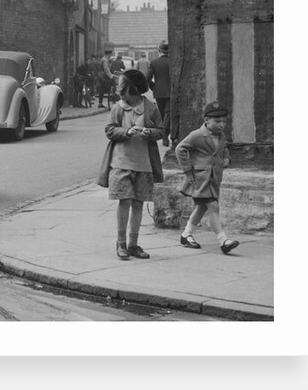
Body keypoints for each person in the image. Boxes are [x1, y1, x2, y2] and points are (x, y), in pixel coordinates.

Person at [97, 69, 165, 260]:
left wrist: (148, 133)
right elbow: (110, 130)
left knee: (138, 203)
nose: (120, 92)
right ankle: (121, 243)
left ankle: (134, 244)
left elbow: (161, 131)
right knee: (124, 201)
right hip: (121, 162)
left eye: (122, 88)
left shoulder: (150, 107)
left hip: (143, 164)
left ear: (133, 89)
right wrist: (127, 131)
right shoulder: (118, 108)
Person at [175, 101, 239, 254]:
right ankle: (223, 241)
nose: (222, 124)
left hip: (214, 179)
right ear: (206, 121)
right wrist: (187, 170)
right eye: (217, 121)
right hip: (200, 179)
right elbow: (180, 149)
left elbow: (224, 150)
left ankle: (186, 234)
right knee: (213, 206)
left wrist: (227, 159)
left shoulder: (222, 136)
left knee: (202, 207)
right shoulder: (197, 135)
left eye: (224, 121)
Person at [148, 40, 172, 146]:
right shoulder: (173, 61)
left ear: (159, 50)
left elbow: (147, 78)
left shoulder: (154, 63)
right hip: (171, 91)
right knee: (168, 114)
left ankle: (164, 136)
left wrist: (154, 87)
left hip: (159, 92)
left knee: (162, 114)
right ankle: (165, 135)